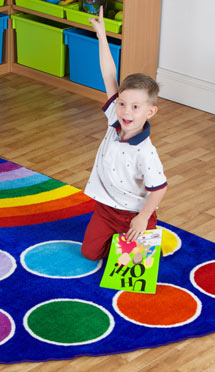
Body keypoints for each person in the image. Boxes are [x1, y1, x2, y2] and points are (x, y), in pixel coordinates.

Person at [81, 8, 168, 261]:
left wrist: (142, 218)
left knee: (137, 262)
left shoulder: (146, 152)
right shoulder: (113, 120)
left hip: (135, 213)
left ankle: (146, 232)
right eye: (122, 103)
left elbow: (159, 189)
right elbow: (109, 76)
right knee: (89, 254)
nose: (125, 111)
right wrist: (102, 37)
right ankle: (117, 241)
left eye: (135, 107)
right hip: (106, 209)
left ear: (150, 112)